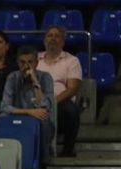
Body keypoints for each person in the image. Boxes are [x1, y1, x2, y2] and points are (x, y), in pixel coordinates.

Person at [0, 45, 55, 163]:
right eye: (22, 62)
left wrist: (35, 81)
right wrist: (29, 112)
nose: (26, 66)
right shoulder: (12, 77)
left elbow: (45, 106)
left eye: (30, 62)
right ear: (18, 63)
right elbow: (4, 106)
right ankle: (4, 160)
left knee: (44, 120)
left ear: (36, 63)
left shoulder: (45, 77)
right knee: (2, 118)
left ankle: (43, 162)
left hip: (37, 118)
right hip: (18, 116)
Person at [39, 25, 82, 157]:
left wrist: (52, 102)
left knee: (71, 110)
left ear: (63, 41)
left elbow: (72, 88)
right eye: (50, 36)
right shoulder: (36, 59)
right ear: (44, 40)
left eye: (57, 36)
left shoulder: (72, 61)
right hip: (37, 99)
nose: (53, 39)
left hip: (61, 102)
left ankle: (68, 150)